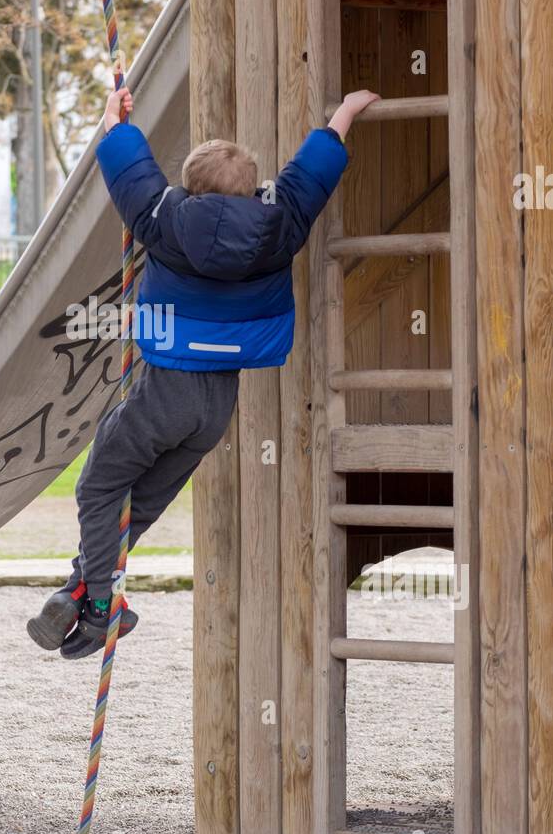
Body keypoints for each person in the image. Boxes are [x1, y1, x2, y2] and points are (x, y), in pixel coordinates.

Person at [27, 83, 380, 659]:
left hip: (165, 390)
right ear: (254, 187)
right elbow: (311, 175)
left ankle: (97, 604)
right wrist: (346, 112)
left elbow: (129, 171)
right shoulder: (281, 222)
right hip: (216, 408)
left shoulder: (164, 219)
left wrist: (115, 122)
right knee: (136, 504)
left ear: (189, 189)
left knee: (98, 485)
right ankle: (84, 587)